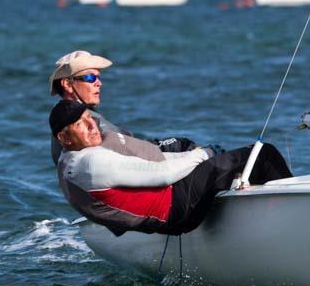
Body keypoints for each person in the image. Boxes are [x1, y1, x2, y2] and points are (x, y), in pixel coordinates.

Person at [50, 100, 292, 236]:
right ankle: (291, 218)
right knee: (262, 154)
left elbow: (156, 164)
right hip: (178, 207)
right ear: (64, 137)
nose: (92, 126)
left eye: (90, 118)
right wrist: (204, 154)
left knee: (224, 166)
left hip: (165, 217)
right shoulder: (92, 163)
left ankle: (255, 210)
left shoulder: (67, 163)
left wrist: (195, 156)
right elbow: (163, 173)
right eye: (80, 124)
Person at [48, 50, 198, 164]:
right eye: (90, 77)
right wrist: (174, 146)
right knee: (188, 146)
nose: (98, 83)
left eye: (99, 77)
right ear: (67, 84)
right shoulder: (80, 122)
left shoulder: (60, 121)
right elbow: (127, 148)